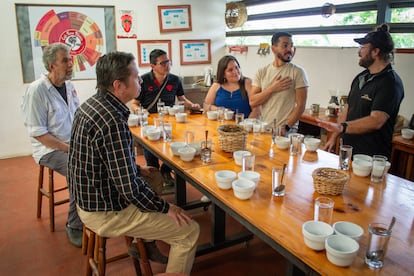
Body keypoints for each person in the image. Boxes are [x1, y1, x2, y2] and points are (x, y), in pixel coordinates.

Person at [68, 51, 199, 274]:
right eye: (136, 76)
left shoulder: (91, 105)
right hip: (105, 211)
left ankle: (146, 241)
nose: (140, 80)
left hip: (88, 199)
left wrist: (137, 169)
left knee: (153, 176)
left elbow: (102, 160)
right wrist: (167, 207)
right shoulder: (112, 121)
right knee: (189, 231)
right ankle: (149, 234)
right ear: (118, 85)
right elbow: (129, 189)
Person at [21, 43, 83, 248]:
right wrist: (70, 149)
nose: (70, 63)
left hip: (71, 144)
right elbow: (39, 134)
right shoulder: (37, 90)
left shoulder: (69, 86)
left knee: (98, 159)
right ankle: (74, 225)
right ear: (51, 65)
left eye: (70, 59)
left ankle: (94, 208)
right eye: (65, 60)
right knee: (79, 169)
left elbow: (78, 116)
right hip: (49, 149)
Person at [318, 24, 404, 159]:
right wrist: (334, 136)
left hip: (371, 157)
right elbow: (347, 109)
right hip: (348, 151)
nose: (359, 52)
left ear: (375, 52)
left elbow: (376, 120)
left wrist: (343, 127)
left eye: (363, 47)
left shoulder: (390, 83)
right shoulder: (361, 77)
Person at [130, 49, 201, 187]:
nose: (167, 65)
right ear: (152, 66)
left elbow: (182, 98)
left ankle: (166, 170)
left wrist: (193, 105)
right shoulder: (143, 80)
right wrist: (141, 111)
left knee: (174, 148)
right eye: (163, 63)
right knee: (151, 151)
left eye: (168, 61)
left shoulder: (175, 80)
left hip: (171, 122)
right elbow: (134, 103)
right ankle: (155, 179)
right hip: (150, 124)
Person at [250, 32, 309, 136]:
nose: (289, 49)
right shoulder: (262, 72)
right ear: (273, 49)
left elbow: (301, 106)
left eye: (291, 45)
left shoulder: (298, 72)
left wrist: (286, 128)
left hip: (287, 131)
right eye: (285, 45)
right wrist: (272, 88)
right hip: (265, 129)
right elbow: (253, 101)